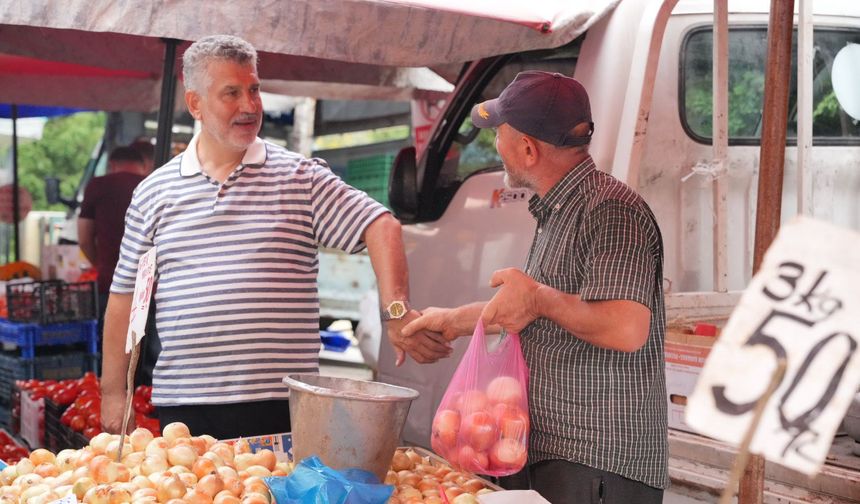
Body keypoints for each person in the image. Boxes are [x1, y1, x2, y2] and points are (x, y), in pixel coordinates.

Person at [100, 34, 451, 439]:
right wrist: (113, 393)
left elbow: (380, 225)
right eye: (231, 93)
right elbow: (127, 298)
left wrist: (396, 311)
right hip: (186, 403)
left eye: (254, 90)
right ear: (194, 102)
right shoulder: (153, 194)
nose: (249, 106)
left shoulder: (300, 178)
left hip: (283, 402)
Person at [402, 71, 669, 502]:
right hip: (551, 452)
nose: (495, 147)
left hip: (596, 462)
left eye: (499, 136)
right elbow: (529, 307)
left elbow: (625, 328)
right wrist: (448, 322)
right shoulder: (561, 209)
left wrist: (539, 298)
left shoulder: (612, 211)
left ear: (527, 149)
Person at [77, 146, 147, 336]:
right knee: (144, 357)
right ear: (144, 166)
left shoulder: (98, 185)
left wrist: (100, 265)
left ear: (112, 164)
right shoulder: (152, 185)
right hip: (149, 289)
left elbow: (84, 238)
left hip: (110, 283)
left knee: (109, 353)